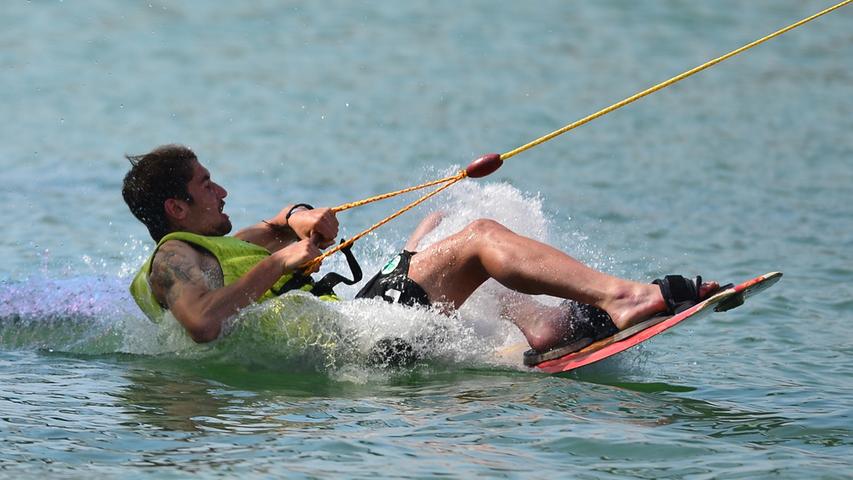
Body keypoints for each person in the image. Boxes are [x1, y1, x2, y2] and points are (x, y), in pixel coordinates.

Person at [122, 144, 718, 363]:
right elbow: (201, 322)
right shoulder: (175, 259)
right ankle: (625, 299)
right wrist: (285, 260)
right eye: (205, 184)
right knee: (480, 235)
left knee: (437, 231)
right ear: (176, 208)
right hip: (358, 337)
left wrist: (302, 220)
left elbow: (280, 223)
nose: (220, 189)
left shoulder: (215, 246)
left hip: (357, 331)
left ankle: (550, 325)